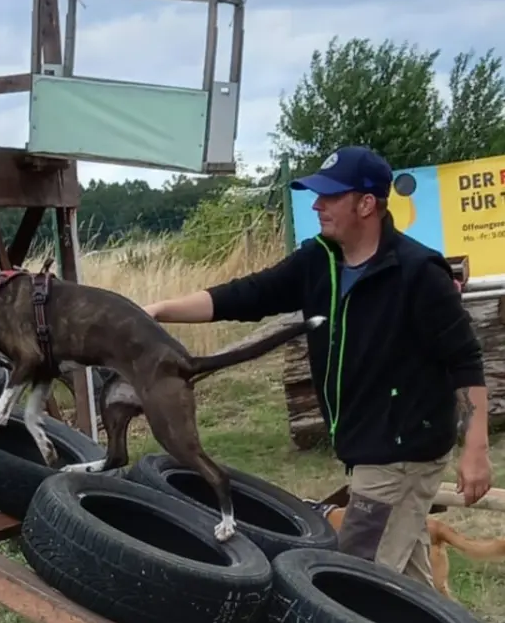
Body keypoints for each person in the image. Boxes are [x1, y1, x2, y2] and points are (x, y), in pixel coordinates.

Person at [143, 144, 491, 587]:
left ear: (366, 204)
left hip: (403, 453)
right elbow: (244, 295)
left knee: (362, 583)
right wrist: (156, 311)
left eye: (329, 196)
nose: (316, 205)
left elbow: (465, 359)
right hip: (366, 447)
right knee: (409, 579)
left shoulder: (418, 273)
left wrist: (476, 448)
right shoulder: (319, 261)